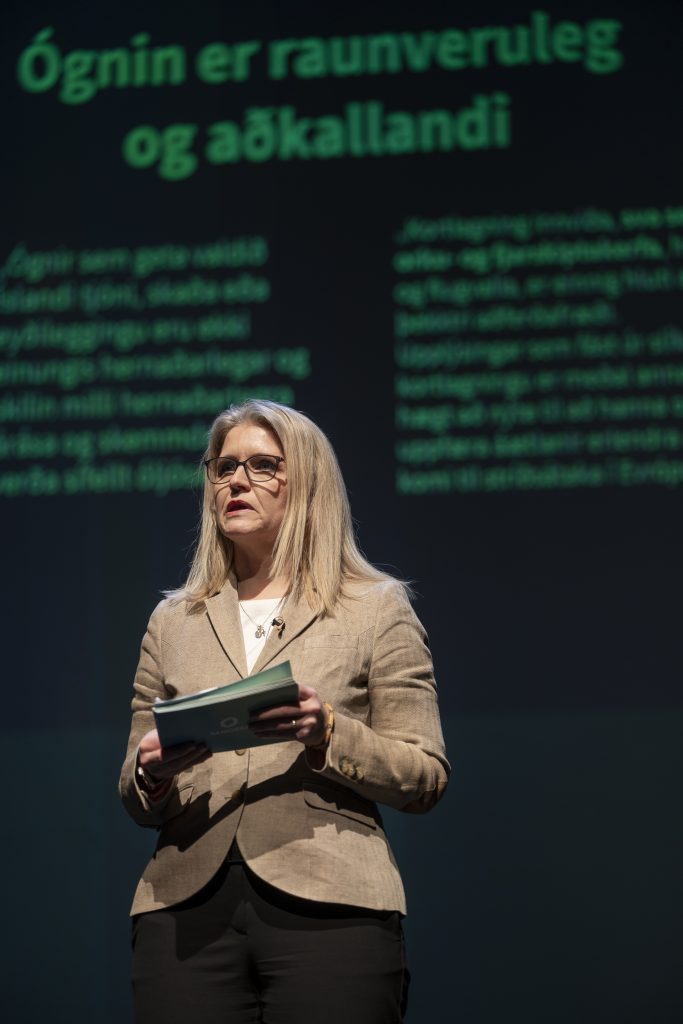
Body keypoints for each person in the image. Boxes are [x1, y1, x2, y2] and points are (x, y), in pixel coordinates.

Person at [120, 398, 449, 1024]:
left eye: (263, 466)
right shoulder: (173, 620)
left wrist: (329, 733)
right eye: (224, 467)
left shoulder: (375, 609)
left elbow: (425, 774)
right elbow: (133, 793)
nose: (236, 481)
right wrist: (149, 773)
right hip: (184, 909)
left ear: (309, 485)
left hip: (331, 900)